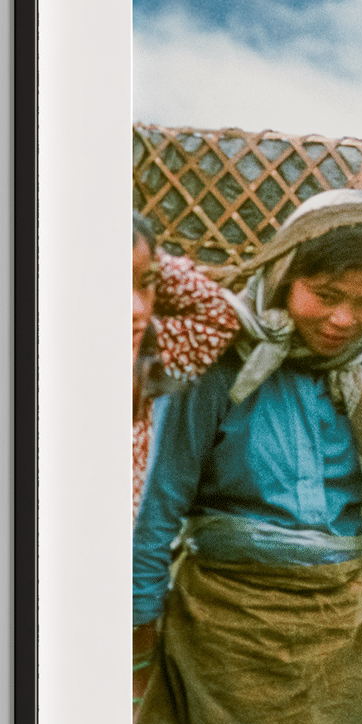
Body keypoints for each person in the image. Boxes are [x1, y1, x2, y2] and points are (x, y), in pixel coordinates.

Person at [132, 192, 362, 724]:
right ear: (285, 274)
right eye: (325, 294)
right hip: (223, 628)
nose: (346, 319)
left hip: (347, 634)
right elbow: (161, 498)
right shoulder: (222, 363)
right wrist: (139, 614)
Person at [131, 212, 241, 517]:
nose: (137, 309)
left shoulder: (150, 350)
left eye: (145, 284)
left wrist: (146, 252)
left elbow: (219, 317)